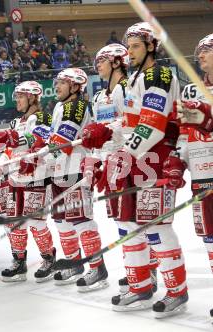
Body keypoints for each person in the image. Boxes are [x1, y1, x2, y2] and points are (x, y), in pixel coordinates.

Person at [84, 22, 187, 317]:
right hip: (138, 159)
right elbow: (131, 123)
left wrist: (123, 154)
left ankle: (176, 290)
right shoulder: (134, 81)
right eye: (128, 47)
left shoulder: (160, 73)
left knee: (157, 228)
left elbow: (153, 125)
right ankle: (140, 285)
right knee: (130, 225)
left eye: (136, 46)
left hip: (158, 158)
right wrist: (107, 131)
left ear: (152, 46)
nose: (129, 52)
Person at [163, 33, 213, 318]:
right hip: (202, 180)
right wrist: (176, 162)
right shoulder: (191, 91)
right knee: (209, 240)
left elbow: (206, 120)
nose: (200, 54)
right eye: (199, 50)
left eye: (207, 50)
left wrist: (206, 118)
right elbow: (184, 136)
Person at [46, 68, 108, 292]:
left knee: (81, 220)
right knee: (62, 221)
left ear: (74, 86)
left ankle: (97, 267)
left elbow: (62, 139)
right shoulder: (59, 106)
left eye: (62, 83)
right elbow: (53, 139)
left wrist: (40, 153)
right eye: (57, 82)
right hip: (59, 170)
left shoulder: (77, 105)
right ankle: (74, 264)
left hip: (75, 169)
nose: (57, 87)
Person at [0, 81, 56, 283]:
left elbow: (39, 141)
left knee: (35, 222)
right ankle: (19, 262)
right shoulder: (15, 122)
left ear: (32, 97)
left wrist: (19, 147)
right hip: (16, 179)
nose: (17, 100)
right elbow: (10, 148)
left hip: (37, 177)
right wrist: (3, 162)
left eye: (21, 96)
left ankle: (49, 258)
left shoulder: (42, 117)